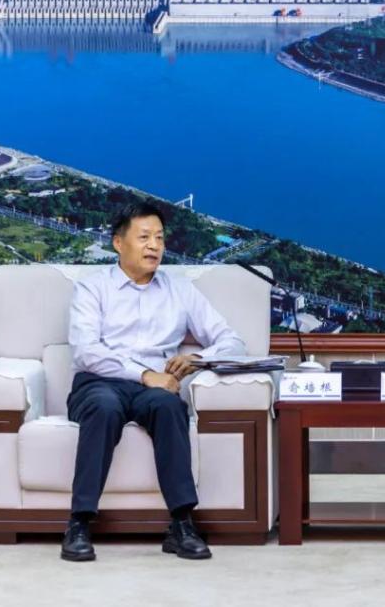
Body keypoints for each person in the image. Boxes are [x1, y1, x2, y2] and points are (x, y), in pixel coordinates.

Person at [61, 201, 246, 562]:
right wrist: (145, 374)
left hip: (154, 390)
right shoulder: (92, 288)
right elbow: (86, 352)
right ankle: (79, 522)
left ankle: (181, 524)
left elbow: (232, 340)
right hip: (99, 382)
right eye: (144, 237)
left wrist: (198, 359)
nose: (154, 246)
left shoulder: (180, 290)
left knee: (168, 407)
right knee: (104, 407)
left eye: (159, 238)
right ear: (118, 243)